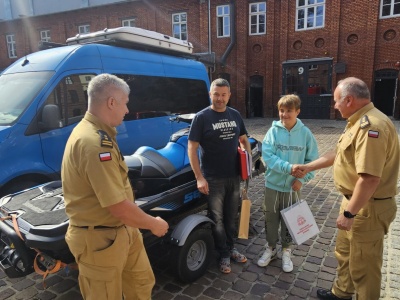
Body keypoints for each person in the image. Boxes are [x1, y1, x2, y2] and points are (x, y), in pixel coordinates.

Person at [61, 73, 169, 300]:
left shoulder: (100, 135)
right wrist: (154, 224)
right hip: (100, 241)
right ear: (112, 102)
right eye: (125, 103)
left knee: (141, 284)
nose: (127, 110)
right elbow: (118, 207)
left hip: (123, 231)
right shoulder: (94, 143)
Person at [293, 77, 399, 300]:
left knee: (364, 268)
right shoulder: (357, 121)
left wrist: (350, 213)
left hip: (366, 207)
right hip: (356, 202)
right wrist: (308, 166)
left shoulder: (372, 127)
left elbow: (370, 179)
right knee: (345, 254)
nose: (334, 105)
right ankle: (341, 294)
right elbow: (338, 155)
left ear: (349, 99)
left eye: (336, 101)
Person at [188, 78, 251, 274]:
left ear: (229, 95)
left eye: (224, 95)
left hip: (234, 176)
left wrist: (247, 163)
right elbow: (192, 147)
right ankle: (223, 253)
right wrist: (199, 177)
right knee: (218, 219)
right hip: (213, 179)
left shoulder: (235, 115)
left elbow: (243, 139)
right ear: (210, 94)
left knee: (231, 216)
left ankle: (231, 248)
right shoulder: (202, 117)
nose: (220, 98)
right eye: (216, 94)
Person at [257, 94, 318, 272]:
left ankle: (286, 250)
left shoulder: (305, 134)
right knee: (270, 218)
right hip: (272, 186)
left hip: (293, 188)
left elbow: (312, 161)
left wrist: (301, 179)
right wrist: (289, 167)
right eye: (281, 111)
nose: (284, 114)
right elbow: (268, 157)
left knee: (290, 219)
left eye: (289, 111)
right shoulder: (273, 132)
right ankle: (270, 248)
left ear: (297, 111)